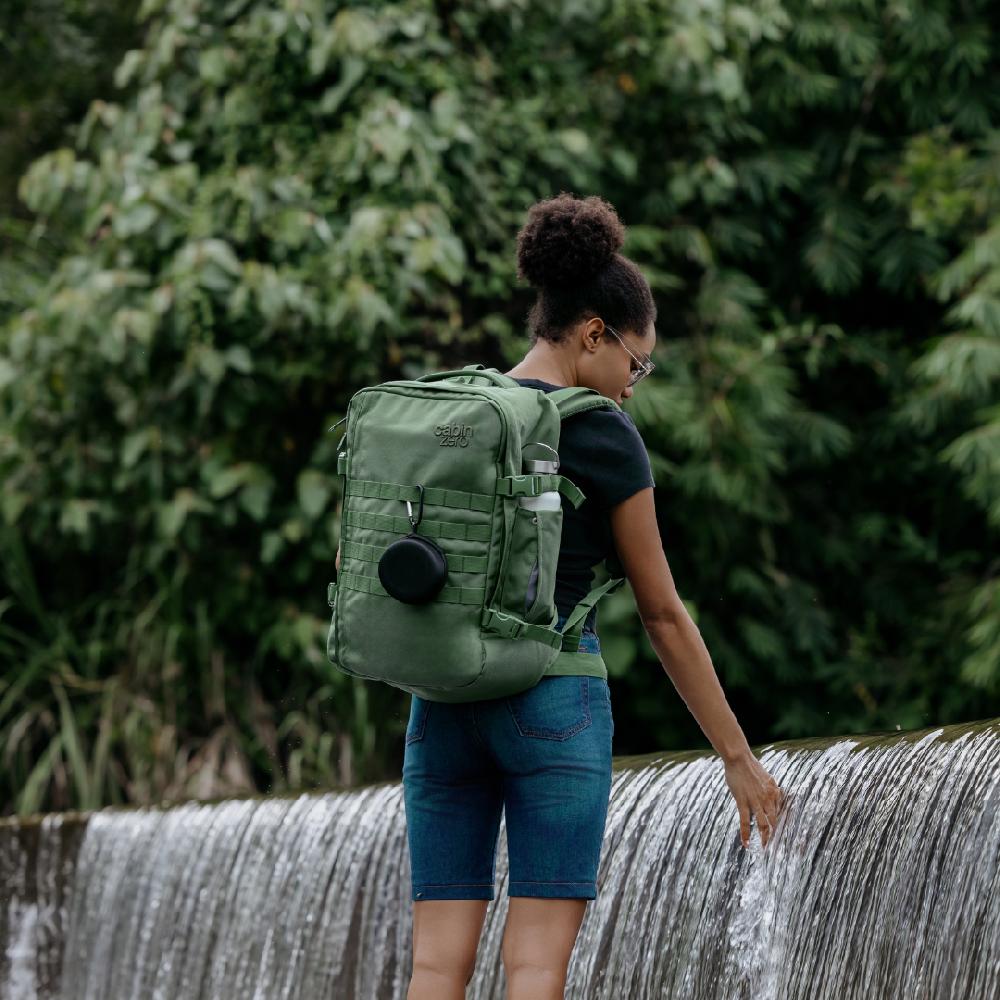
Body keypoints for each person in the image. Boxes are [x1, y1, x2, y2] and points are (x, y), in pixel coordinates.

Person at [341, 192, 785, 1000]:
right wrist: (737, 756)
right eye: (636, 364)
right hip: (552, 705)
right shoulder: (604, 433)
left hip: (441, 703)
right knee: (535, 968)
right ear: (593, 335)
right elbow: (661, 613)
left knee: (435, 968)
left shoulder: (468, 412)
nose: (632, 387)